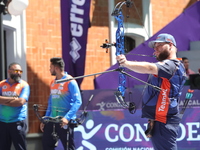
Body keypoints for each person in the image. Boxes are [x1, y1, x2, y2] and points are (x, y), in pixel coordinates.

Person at [116, 33, 186, 150]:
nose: (155, 49)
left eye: (159, 45)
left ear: (170, 45)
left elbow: (149, 68)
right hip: (161, 118)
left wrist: (126, 63)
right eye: (155, 46)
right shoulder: (173, 66)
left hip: (164, 119)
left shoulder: (172, 65)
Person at [40, 57, 82, 150]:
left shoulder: (70, 81)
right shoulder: (53, 82)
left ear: (56, 68)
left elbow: (78, 101)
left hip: (64, 121)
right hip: (52, 119)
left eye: (50, 67)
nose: (49, 69)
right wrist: (45, 119)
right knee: (46, 144)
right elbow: (50, 102)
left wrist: (67, 118)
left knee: (68, 147)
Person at [0, 62, 30, 150]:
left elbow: (20, 102)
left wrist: (3, 101)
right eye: (16, 70)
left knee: (20, 147)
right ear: (9, 71)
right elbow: (16, 100)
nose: (19, 73)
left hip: (17, 121)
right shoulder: (1, 84)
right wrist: (13, 98)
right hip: (3, 122)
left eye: (21, 71)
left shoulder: (24, 85)